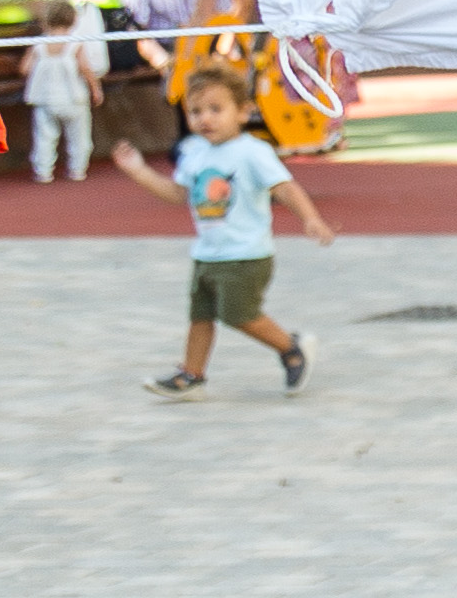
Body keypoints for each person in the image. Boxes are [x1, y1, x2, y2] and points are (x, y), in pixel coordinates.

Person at [121, 63, 325, 393]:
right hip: (208, 253)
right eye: (196, 111)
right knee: (200, 315)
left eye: (216, 109)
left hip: (246, 253)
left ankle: (291, 347)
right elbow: (178, 194)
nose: (206, 119)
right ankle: (191, 374)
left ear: (243, 112)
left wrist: (310, 217)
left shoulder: (252, 152)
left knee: (239, 314)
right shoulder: (193, 152)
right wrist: (139, 172)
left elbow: (284, 187)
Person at [22, 1, 100, 184]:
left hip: (45, 99)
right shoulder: (75, 43)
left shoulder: (38, 44)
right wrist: (95, 88)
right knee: (79, 137)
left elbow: (25, 69)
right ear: (73, 20)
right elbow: (86, 68)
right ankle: (77, 170)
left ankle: (43, 172)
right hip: (74, 99)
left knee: (44, 137)